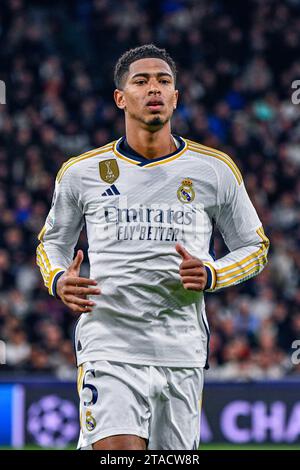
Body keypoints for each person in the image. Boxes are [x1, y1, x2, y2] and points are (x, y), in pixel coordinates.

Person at [36, 44, 270, 450]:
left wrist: (213, 273)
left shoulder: (213, 169)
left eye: (164, 81)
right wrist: (58, 279)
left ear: (176, 97)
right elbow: (52, 242)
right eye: (141, 81)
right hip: (109, 343)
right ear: (120, 98)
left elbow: (256, 246)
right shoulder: (81, 173)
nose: (154, 88)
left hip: (181, 350)